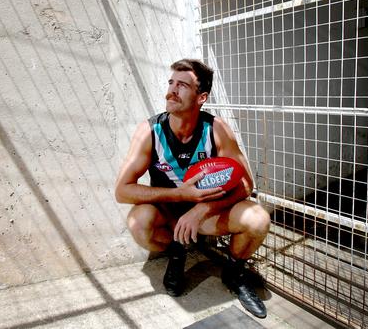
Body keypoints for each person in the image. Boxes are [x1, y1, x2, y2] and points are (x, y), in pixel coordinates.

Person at [114, 59, 271, 318]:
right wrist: (180, 195)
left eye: (183, 85)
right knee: (138, 223)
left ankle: (234, 273)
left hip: (204, 217)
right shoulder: (150, 131)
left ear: (201, 97)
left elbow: (246, 183)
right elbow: (122, 191)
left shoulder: (216, 129)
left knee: (257, 219)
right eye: (171, 83)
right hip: (168, 214)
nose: (172, 91)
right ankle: (178, 250)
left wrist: (201, 209)